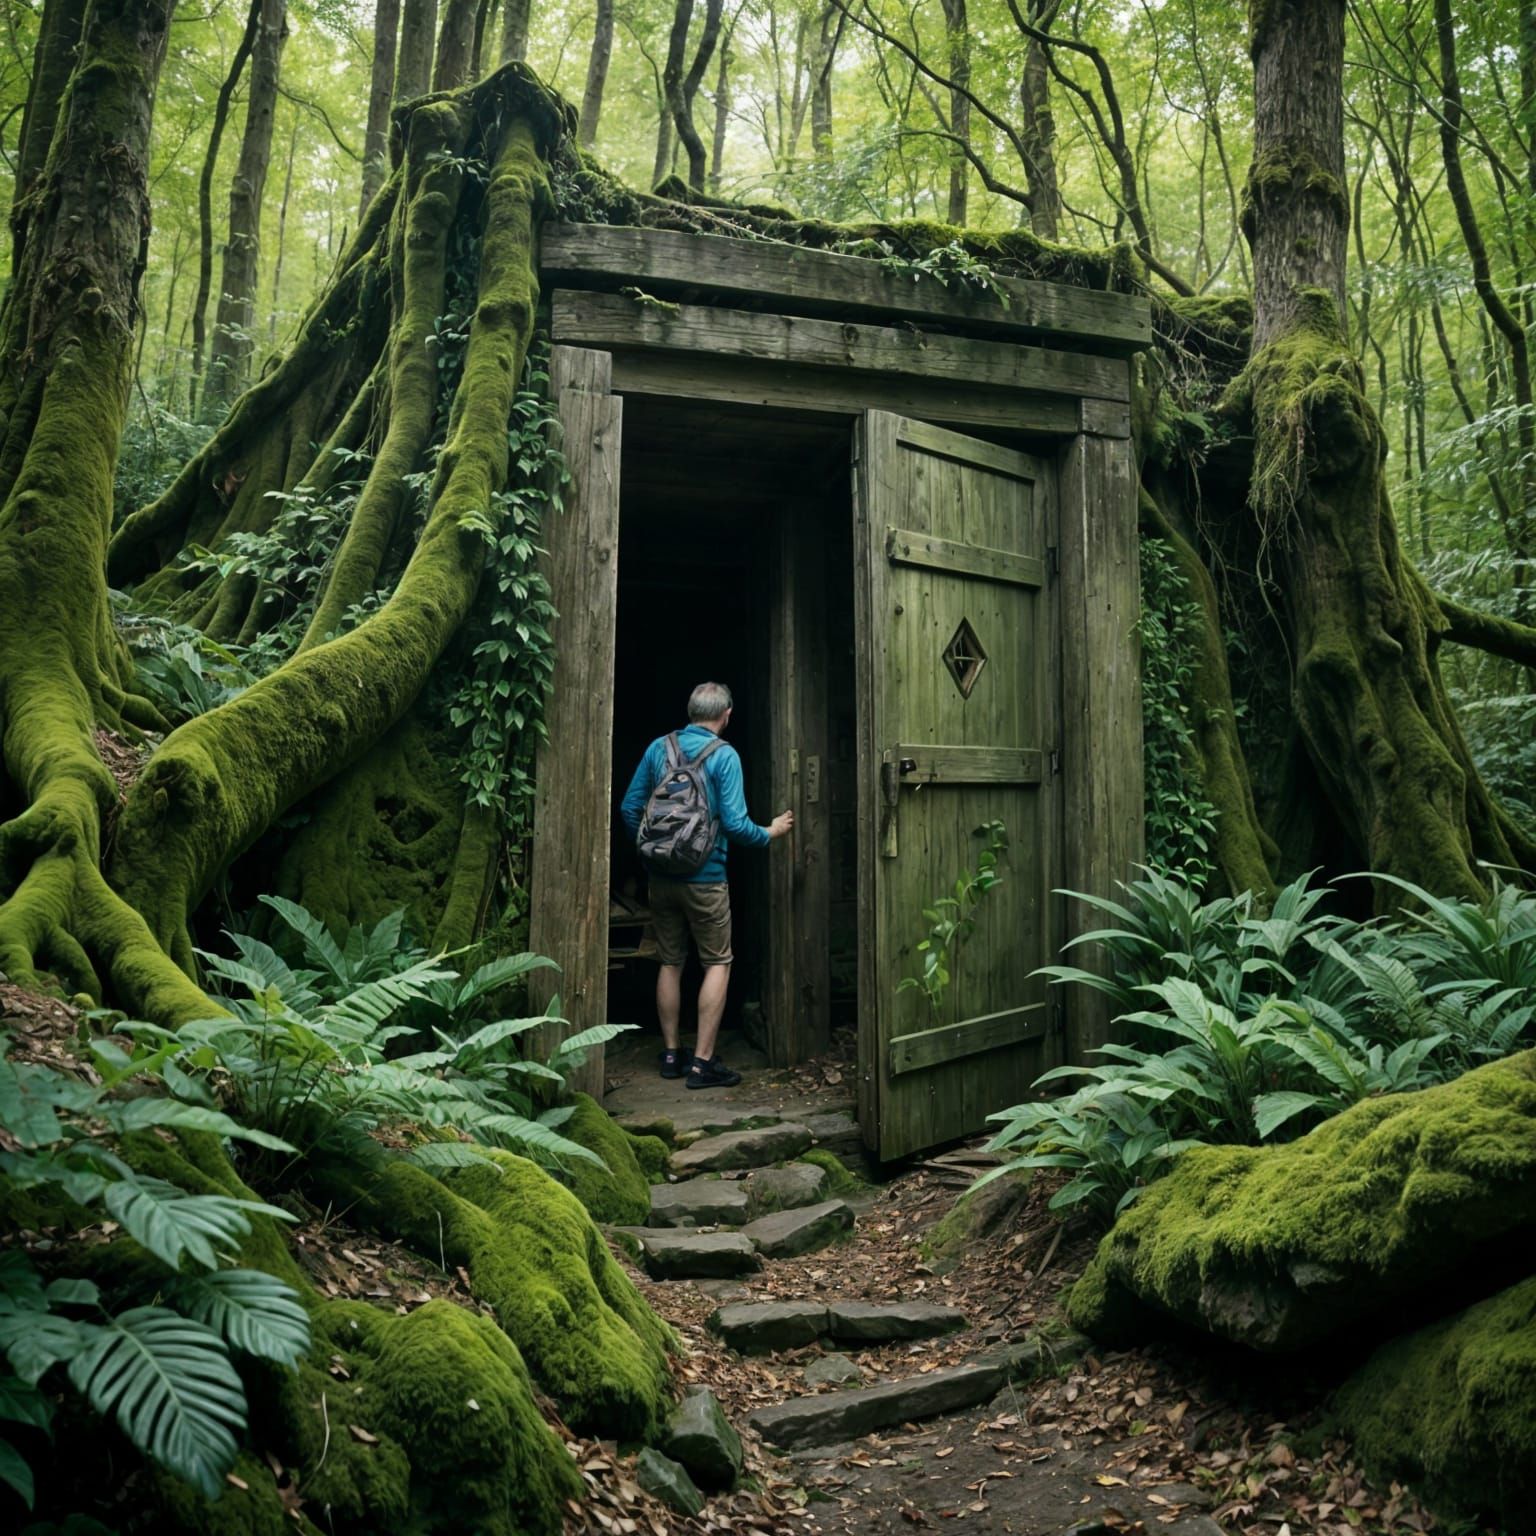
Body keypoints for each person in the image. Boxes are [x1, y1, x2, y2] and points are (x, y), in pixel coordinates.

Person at [620, 681, 793, 1087]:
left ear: (691, 711)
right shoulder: (724, 756)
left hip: (660, 880)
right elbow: (735, 825)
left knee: (670, 961)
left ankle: (670, 1055)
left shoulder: (658, 748)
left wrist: (652, 853)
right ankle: (702, 1064)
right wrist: (770, 832)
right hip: (706, 879)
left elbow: (630, 808)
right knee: (717, 962)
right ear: (726, 715)